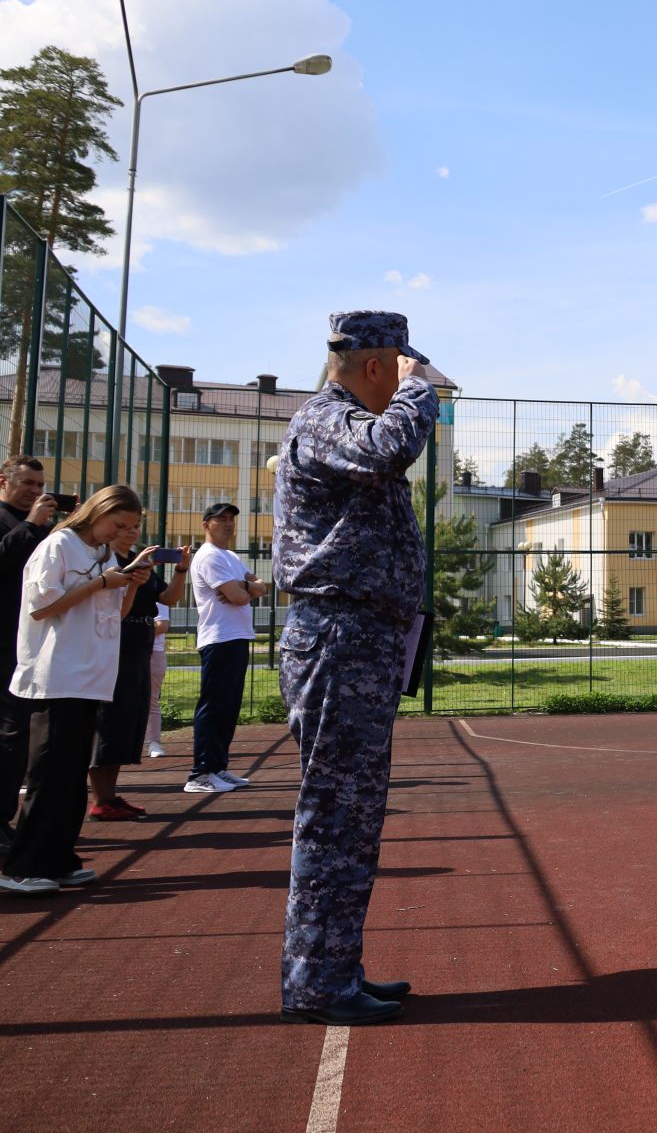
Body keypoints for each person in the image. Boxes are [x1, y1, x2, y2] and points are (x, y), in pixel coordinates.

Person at [276, 310, 438, 1027]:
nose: (410, 378)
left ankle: (334, 968)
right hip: (339, 637)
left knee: (353, 815)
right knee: (335, 816)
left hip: (360, 640)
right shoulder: (325, 418)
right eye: (401, 366)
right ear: (378, 365)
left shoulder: (343, 422)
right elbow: (386, 451)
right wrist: (418, 391)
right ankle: (317, 983)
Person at [0, 485, 159, 894]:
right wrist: (102, 583)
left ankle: (59, 859)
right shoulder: (59, 545)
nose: (121, 533)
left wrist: (132, 583)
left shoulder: (103, 554)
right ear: (97, 512)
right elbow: (41, 604)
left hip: (92, 675)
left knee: (71, 778)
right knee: (50, 775)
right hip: (57, 674)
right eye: (118, 524)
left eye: (131, 526)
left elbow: (116, 612)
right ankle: (22, 867)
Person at [0, 455, 57, 856]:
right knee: (9, 732)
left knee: (37, 735)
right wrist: (31, 525)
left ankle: (21, 821)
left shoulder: (50, 530)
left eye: (40, 485)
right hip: (3, 640)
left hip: (44, 640)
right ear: (3, 481)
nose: (36, 491)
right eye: (28, 483)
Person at [89, 518, 188, 819]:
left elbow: (168, 598)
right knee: (108, 718)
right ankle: (100, 798)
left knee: (127, 719)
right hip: (115, 642)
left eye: (135, 526)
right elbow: (113, 605)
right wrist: (134, 573)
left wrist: (181, 570)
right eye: (124, 525)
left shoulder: (138, 561)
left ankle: (110, 796)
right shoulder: (103, 560)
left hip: (140, 643)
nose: (132, 531)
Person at [186, 502, 268, 793]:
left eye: (232, 518)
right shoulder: (208, 556)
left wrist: (245, 587)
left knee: (228, 707)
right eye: (221, 519)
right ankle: (200, 774)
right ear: (206, 524)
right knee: (214, 705)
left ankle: (218, 767)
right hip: (219, 639)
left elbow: (261, 586)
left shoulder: (231, 556)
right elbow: (240, 596)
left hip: (236, 637)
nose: (229, 523)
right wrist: (246, 589)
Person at [146, 600, 172, 757]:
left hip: (153, 651)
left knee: (151, 699)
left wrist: (134, 628)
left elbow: (162, 625)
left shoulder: (158, 594)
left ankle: (153, 742)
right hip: (121, 651)